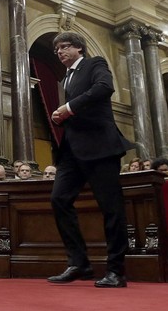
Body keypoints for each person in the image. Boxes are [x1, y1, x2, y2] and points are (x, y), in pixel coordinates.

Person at [47, 31, 134, 288]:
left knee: (111, 208)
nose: (60, 52)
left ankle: (116, 271)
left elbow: (105, 88)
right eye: (57, 50)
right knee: (59, 199)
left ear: (79, 49)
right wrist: (61, 117)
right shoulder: (65, 78)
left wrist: (69, 108)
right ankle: (79, 263)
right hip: (72, 150)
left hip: (100, 147)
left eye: (64, 47)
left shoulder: (95, 64)